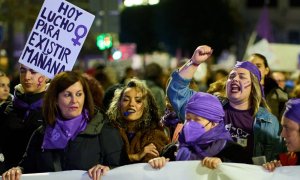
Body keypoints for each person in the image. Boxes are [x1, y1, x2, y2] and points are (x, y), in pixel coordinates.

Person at [1, 71, 128, 180]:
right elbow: (27, 167)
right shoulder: (41, 134)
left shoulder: (104, 129)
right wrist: (17, 170)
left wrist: (108, 169)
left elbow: (123, 169)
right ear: (55, 99)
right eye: (67, 95)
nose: (75, 100)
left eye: (79, 94)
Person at [166, 45, 283, 163]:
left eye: (242, 77)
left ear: (253, 87)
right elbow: (176, 92)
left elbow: (276, 159)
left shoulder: (268, 122)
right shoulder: (209, 108)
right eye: (231, 76)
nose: (235, 79)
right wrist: (194, 63)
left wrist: (273, 164)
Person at [149, 92, 252, 169]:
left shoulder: (234, 152)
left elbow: (248, 173)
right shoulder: (171, 150)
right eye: (188, 119)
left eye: (197, 120)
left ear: (213, 123)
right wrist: (158, 163)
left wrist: (224, 164)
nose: (190, 124)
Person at [0, 64, 49, 172]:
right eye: (23, 71)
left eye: (33, 71)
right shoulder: (5, 109)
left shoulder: (55, 111)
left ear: (47, 76)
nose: (26, 77)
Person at [107, 78, 169, 163]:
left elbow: (151, 159)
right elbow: (105, 159)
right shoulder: (108, 129)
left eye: (138, 101)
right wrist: (136, 156)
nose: (131, 104)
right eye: (126, 100)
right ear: (118, 104)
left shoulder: (154, 132)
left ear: (146, 106)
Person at [248, 53, 288, 120]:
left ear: (266, 70)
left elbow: (284, 121)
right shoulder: (238, 91)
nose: (254, 69)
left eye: (258, 66)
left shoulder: (279, 94)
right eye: (250, 66)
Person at [263, 98, 300, 171]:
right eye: (283, 127)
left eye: (287, 128)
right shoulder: (286, 161)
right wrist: (273, 172)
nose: (282, 134)